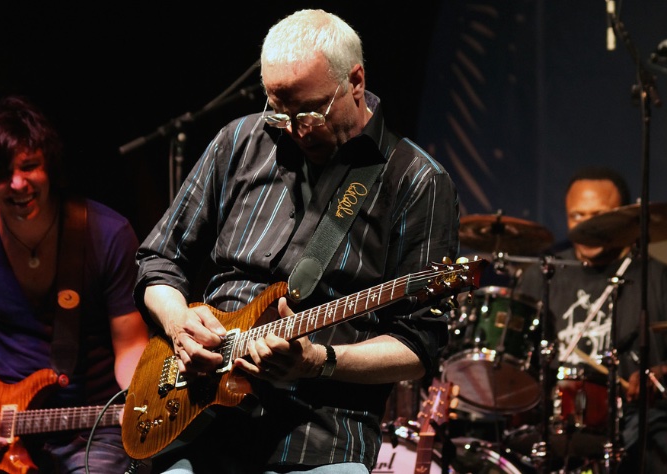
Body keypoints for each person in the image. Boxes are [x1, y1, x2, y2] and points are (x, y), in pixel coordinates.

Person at [133, 8, 460, 473]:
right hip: (194, 413)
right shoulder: (240, 141)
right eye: (278, 111)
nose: (294, 129)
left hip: (318, 434)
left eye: (309, 111)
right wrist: (178, 322)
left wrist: (318, 361)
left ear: (356, 81)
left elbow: (417, 347)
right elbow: (159, 259)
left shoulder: (417, 181)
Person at [0, 96, 150, 472]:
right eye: (1, 173)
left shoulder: (107, 234)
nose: (18, 184)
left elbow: (131, 343)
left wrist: (136, 399)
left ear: (49, 166)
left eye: (29, 167)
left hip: (91, 425)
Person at [514, 166, 667, 473]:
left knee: (664, 445)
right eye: (577, 217)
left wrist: (662, 373)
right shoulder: (541, 276)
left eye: (599, 216)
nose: (587, 227)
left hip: (640, 422)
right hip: (556, 423)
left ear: (624, 215)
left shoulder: (661, 280)